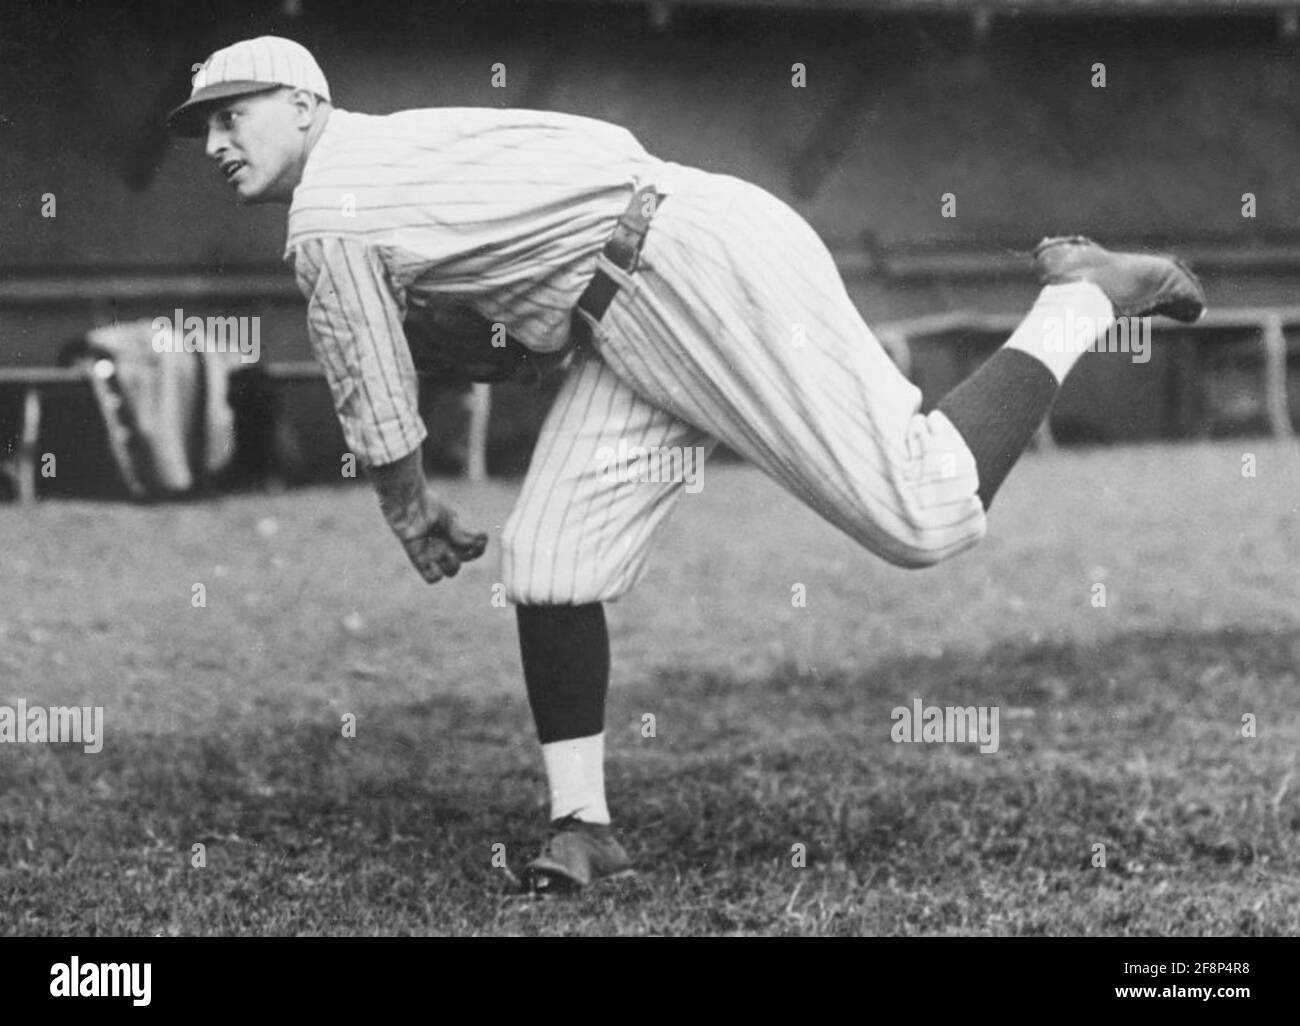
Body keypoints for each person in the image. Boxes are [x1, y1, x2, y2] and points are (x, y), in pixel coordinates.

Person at [168, 35, 1206, 892]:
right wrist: (483, 339)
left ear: (305, 103)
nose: (216, 142)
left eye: (236, 113)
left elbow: (374, 391)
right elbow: (535, 297)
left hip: (688, 266)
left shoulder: (326, 211)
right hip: (634, 299)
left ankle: (1083, 296)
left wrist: (409, 508)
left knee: (925, 512)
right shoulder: (404, 147)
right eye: (204, 128)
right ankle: (583, 824)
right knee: (549, 562)